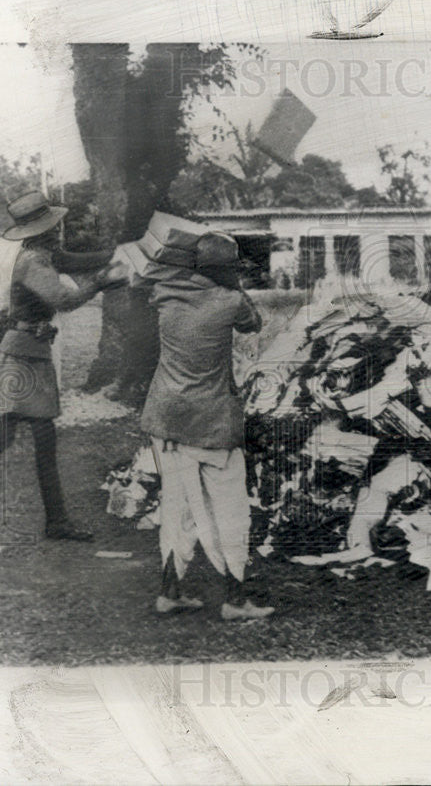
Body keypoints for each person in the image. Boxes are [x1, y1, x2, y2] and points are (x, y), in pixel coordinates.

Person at [0, 191, 127, 549]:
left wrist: (115, 255)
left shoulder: (42, 254)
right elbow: (65, 300)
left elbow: (69, 259)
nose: (58, 230)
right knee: (0, 436)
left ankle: (57, 520)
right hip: (19, 353)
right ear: (43, 230)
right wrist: (102, 282)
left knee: (44, 439)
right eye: (53, 226)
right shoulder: (32, 261)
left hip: (33, 352)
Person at [140, 231, 274, 620]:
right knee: (230, 510)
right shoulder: (230, 301)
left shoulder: (165, 296)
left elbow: (164, 277)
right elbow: (254, 322)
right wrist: (233, 282)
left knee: (176, 505)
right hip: (211, 421)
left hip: (165, 417)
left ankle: (169, 591)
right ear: (225, 271)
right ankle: (235, 599)